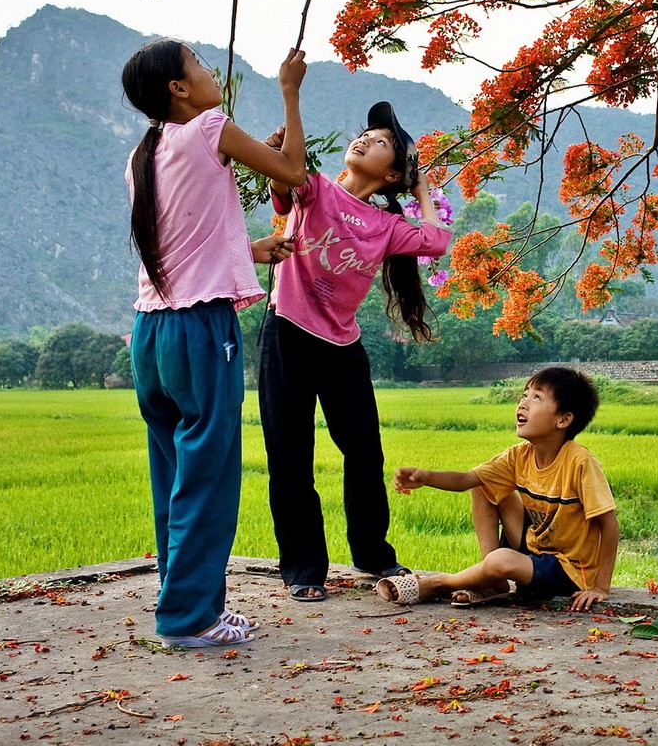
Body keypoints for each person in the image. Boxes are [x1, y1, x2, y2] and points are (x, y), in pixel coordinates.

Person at [122, 39, 310, 648]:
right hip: (201, 331)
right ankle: (190, 620)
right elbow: (293, 176)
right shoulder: (209, 127)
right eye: (199, 67)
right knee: (208, 476)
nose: (210, 74)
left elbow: (182, 240)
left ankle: (182, 602)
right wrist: (290, 90)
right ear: (179, 89)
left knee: (174, 472)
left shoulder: (143, 153)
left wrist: (251, 251)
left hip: (151, 332)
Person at [258, 101, 452, 602]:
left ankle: (373, 553)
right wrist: (290, 105)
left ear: (391, 175)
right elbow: (285, 179)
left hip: (342, 344)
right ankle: (303, 568)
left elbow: (435, 240)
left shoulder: (386, 226)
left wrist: (421, 187)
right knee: (290, 455)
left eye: (381, 140)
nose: (366, 138)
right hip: (287, 331)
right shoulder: (316, 188)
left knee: (364, 452)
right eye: (365, 132)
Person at [378, 366, 619, 612]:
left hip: (566, 569)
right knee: (483, 485)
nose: (523, 404)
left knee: (501, 559)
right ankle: (493, 580)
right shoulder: (519, 456)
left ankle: (439, 583)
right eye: (525, 395)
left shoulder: (580, 462)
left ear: (564, 419)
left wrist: (600, 587)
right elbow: (467, 480)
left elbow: (608, 524)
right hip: (535, 548)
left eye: (537, 397)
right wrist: (426, 477)